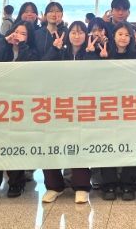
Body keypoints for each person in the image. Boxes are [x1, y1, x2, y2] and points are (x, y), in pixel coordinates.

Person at [0, 21, 40, 198]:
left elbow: (26, 67)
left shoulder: (32, 51)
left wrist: (22, 45)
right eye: (16, 32)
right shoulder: (3, 47)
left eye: (23, 33)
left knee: (16, 142)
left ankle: (16, 182)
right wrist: (4, 42)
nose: (18, 36)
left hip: (20, 102)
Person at [40, 21, 92, 204]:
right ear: (68, 35)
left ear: (86, 35)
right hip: (58, 105)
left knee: (79, 143)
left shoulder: (90, 53)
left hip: (83, 106)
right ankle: (54, 186)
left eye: (81, 32)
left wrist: (91, 55)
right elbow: (41, 68)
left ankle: (81, 186)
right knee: (51, 144)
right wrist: (54, 49)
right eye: (73, 32)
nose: (77, 36)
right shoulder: (60, 52)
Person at [99, 22, 136, 200]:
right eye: (120, 34)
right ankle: (109, 185)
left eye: (127, 35)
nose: (123, 38)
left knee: (131, 143)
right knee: (106, 143)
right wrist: (98, 58)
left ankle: (128, 185)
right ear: (113, 36)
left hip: (131, 106)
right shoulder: (104, 53)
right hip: (107, 106)